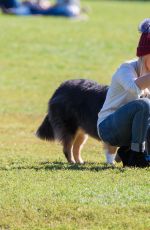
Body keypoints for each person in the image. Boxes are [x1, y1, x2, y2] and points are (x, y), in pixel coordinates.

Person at [97, 18, 150, 168]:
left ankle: (134, 153)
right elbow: (134, 88)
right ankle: (135, 155)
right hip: (108, 128)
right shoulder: (126, 69)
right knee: (144, 104)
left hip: (132, 131)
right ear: (145, 54)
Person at [0, 0, 84, 18]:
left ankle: (12, 11)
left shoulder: (68, 9)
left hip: (66, 10)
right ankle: (12, 11)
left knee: (35, 10)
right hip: (64, 10)